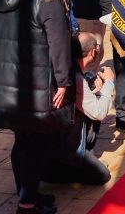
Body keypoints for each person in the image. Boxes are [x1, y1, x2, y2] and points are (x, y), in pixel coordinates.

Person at [0, 0, 74, 214]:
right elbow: (59, 45)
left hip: (6, 78)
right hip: (36, 80)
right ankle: (27, 203)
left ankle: (29, 193)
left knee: (22, 139)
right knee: (38, 143)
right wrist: (63, 81)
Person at [42, 32, 113, 186]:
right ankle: (64, 171)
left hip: (51, 140)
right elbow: (99, 112)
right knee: (103, 175)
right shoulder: (77, 78)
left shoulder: (64, 70)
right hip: (65, 147)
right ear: (93, 52)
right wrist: (109, 82)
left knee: (96, 101)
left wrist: (95, 92)